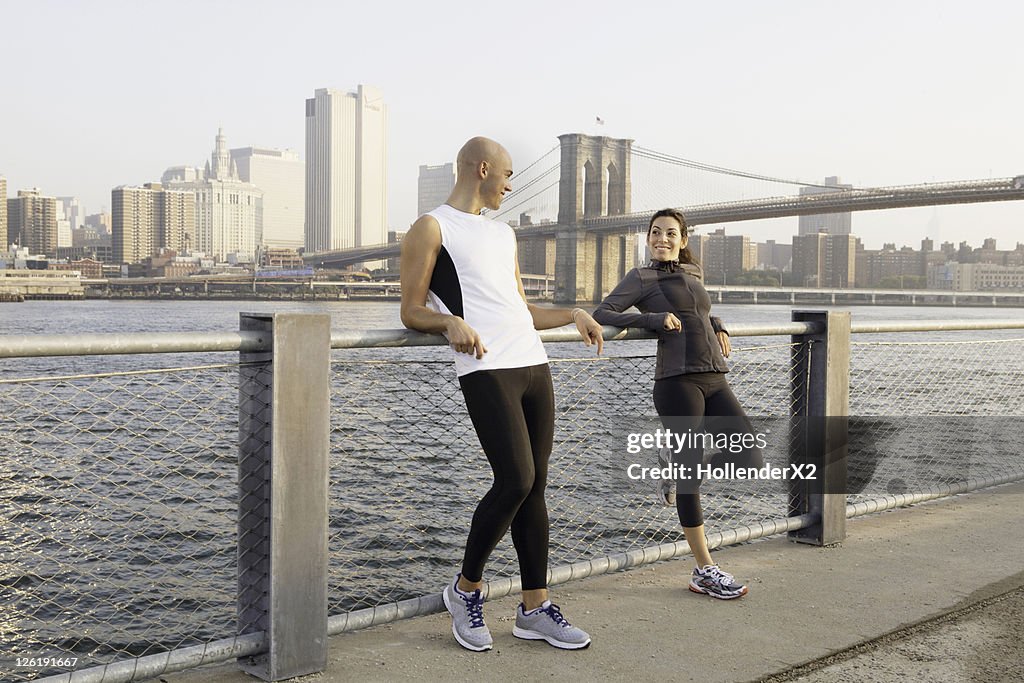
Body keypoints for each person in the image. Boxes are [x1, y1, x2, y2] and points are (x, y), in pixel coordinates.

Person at [400, 136, 604, 651]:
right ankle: (465, 590)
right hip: (486, 367)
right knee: (514, 479)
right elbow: (410, 310)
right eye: (508, 175)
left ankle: (534, 608)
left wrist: (575, 313)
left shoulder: (504, 234)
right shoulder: (432, 227)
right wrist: (448, 323)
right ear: (484, 168)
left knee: (535, 488)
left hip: (534, 363)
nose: (512, 186)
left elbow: (523, 307)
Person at [593, 207, 763, 600]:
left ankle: (674, 470)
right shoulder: (641, 277)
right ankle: (704, 569)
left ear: (683, 240)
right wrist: (652, 320)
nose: (662, 239)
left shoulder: (693, 273)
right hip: (676, 382)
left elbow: (699, 311)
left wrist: (718, 324)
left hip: (714, 377)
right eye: (655, 233)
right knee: (690, 478)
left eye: (671, 233)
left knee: (749, 456)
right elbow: (605, 312)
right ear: (648, 238)